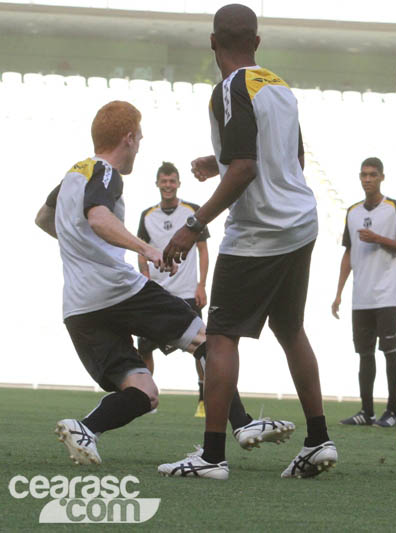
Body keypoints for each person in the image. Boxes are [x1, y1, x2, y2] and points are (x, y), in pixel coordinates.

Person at [157, 4, 336, 480]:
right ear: (256, 43)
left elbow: (247, 167)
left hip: (259, 232)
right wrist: (219, 161)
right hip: (301, 223)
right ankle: (319, 440)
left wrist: (193, 225)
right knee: (291, 328)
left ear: (213, 43)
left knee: (221, 338)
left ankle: (212, 455)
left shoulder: (229, 88)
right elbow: (289, 156)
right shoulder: (278, 85)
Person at [34, 101, 206, 466]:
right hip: (117, 291)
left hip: (79, 309)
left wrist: (81, 247)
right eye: (139, 139)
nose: (139, 147)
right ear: (128, 139)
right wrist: (146, 247)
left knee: (144, 393)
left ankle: (85, 428)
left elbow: (44, 219)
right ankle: (239, 429)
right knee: (204, 339)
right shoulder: (107, 172)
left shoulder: (72, 175)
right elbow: (97, 218)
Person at [332, 157, 396, 428]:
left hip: (389, 294)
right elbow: (348, 252)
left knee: (389, 350)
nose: (368, 179)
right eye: (364, 175)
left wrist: (378, 239)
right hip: (362, 296)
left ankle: (391, 412)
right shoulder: (352, 212)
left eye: (373, 174)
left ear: (382, 177)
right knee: (364, 354)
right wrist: (339, 292)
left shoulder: (395, 208)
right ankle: (366, 412)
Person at [137, 161, 209, 417]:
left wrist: (201, 284)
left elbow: (202, 249)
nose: (168, 185)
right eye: (164, 181)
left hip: (188, 293)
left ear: (178, 183)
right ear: (157, 183)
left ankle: (204, 400)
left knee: (201, 348)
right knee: (144, 348)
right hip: (157, 294)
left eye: (172, 181)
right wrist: (144, 276)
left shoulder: (193, 212)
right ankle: (146, 399)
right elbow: (141, 251)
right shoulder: (147, 215)